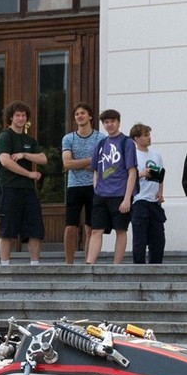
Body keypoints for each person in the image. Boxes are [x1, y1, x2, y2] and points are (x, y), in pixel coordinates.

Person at [0, 101, 46, 265]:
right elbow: (5, 161)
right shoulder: (5, 137)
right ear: (11, 117)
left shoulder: (29, 140)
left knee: (35, 229)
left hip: (28, 190)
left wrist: (24, 154)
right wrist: (29, 173)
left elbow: (43, 159)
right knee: (7, 230)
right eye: (17, 115)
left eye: (23, 115)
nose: (21, 118)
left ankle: (35, 265)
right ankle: (5, 267)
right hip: (9, 188)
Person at [86, 108, 138, 266]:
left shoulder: (127, 142)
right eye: (106, 122)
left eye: (112, 121)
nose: (109, 125)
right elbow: (96, 170)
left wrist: (127, 198)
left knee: (120, 230)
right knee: (96, 229)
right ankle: (90, 264)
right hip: (101, 194)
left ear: (118, 122)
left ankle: (116, 265)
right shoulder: (101, 144)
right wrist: (96, 188)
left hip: (120, 194)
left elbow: (132, 172)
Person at [59, 104, 98, 264]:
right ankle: (69, 264)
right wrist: (90, 160)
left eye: (83, 113)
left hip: (94, 186)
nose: (80, 116)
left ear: (90, 116)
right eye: (77, 114)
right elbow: (67, 163)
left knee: (91, 227)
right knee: (70, 226)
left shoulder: (100, 138)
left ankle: (88, 263)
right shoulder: (68, 138)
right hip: (74, 186)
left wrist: (78, 163)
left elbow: (102, 165)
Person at [129, 124, 167, 264]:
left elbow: (161, 176)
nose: (149, 138)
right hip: (139, 200)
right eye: (145, 135)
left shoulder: (156, 155)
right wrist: (141, 174)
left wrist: (160, 192)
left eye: (149, 135)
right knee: (140, 238)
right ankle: (139, 268)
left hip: (154, 201)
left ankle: (156, 267)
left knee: (158, 239)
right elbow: (127, 178)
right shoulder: (132, 155)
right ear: (136, 138)